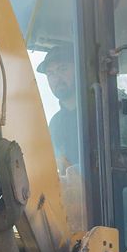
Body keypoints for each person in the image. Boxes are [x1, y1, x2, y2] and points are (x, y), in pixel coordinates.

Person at [37, 43, 80, 173]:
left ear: (78, 69)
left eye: (63, 69)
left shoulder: (104, 109)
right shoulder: (56, 124)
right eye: (50, 74)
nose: (57, 78)